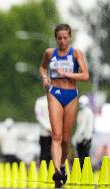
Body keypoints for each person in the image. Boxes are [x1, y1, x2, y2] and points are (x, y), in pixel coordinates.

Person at [39, 24, 89, 187]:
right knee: (56, 136)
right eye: (59, 38)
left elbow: (85, 75)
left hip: (71, 94)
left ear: (70, 37)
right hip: (54, 93)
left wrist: (66, 73)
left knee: (66, 139)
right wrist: (44, 78)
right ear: (56, 38)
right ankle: (57, 172)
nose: (62, 41)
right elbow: (42, 67)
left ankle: (61, 164)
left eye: (65, 38)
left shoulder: (76, 53)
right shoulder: (49, 53)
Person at [72, 95, 94, 168]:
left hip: (85, 139)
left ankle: (85, 173)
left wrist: (75, 138)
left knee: (84, 157)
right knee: (80, 157)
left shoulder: (87, 112)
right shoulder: (80, 112)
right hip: (80, 139)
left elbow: (82, 128)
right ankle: (81, 172)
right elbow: (79, 127)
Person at [34, 95, 52, 167]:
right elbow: (39, 116)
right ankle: (44, 171)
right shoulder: (40, 101)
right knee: (45, 153)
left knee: (54, 153)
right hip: (44, 133)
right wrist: (48, 128)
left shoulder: (58, 99)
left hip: (55, 133)